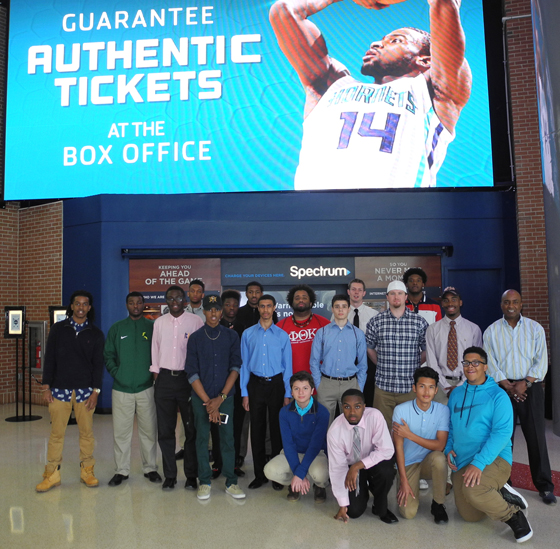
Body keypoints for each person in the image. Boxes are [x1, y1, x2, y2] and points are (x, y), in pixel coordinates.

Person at [270, 0, 472, 190]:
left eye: (395, 40)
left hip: (395, 217)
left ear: (425, 61)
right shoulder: (331, 85)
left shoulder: (432, 90)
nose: (376, 43)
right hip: (313, 218)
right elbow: (285, 11)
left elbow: (444, 3)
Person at [445, 347, 532, 543]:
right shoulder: (457, 394)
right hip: (462, 460)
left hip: (493, 459)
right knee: (470, 515)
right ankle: (499, 491)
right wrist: (448, 448)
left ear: (485, 366)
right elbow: (450, 426)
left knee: (474, 491)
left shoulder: (498, 396)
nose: (470, 366)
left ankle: (514, 515)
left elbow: (502, 434)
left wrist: (479, 463)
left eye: (475, 362)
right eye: (466, 362)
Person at [483, 289, 556, 505]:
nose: (511, 305)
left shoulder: (535, 328)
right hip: (502, 388)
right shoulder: (491, 331)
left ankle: (544, 486)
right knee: (504, 438)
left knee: (536, 438)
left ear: (521, 304)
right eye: (507, 302)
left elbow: (541, 360)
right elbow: (490, 361)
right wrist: (507, 384)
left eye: (515, 302)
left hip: (530, 388)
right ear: (501, 304)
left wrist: (526, 383)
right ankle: (505, 484)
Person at [37, 291, 104, 492]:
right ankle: (52, 474)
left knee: (86, 434)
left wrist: (95, 392)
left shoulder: (96, 334)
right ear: (72, 306)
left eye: (85, 304)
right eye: (77, 303)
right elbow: (50, 359)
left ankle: (87, 471)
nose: (81, 307)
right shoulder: (59, 329)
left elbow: (97, 365)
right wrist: (46, 386)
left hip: (85, 393)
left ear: (89, 307)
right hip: (59, 391)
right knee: (56, 434)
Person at [186, 295, 245, 500]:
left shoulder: (231, 337)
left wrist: (220, 398)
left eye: (217, 309)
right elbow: (192, 373)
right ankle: (204, 481)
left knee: (227, 439)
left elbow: (235, 368)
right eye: (210, 309)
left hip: (225, 398)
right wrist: (209, 403)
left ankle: (231, 482)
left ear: (221, 312)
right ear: (204, 311)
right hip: (201, 398)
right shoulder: (195, 338)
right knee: (202, 438)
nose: (213, 313)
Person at [104, 292, 161, 486]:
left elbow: (159, 353)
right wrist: (117, 373)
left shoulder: (152, 327)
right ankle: (121, 470)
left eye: (138, 302)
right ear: (126, 305)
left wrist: (154, 377)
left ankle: (150, 468)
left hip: (147, 388)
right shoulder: (117, 328)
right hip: (121, 389)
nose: (135, 306)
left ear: (143, 305)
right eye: (131, 303)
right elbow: (108, 354)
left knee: (149, 431)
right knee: (121, 432)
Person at [150, 285, 203, 490]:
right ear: (166, 301)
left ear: (185, 300)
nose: (174, 302)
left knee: (191, 430)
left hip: (187, 380)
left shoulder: (195, 321)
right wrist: (157, 376)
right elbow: (155, 349)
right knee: (165, 431)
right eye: (170, 299)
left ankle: (191, 476)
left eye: (178, 298)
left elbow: (199, 352)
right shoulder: (159, 323)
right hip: (164, 380)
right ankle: (170, 476)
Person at [240, 294, 293, 489]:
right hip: (255, 384)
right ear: (258, 308)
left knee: (277, 430)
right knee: (257, 430)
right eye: (262, 306)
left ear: (274, 308)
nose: (265, 310)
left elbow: (288, 367)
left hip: (277, 385)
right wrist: (244, 392)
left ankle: (278, 475)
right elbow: (244, 364)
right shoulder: (248, 334)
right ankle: (259, 474)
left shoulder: (282, 335)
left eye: (268, 306)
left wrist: (288, 394)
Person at [365, 280, 428, 430]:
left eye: (399, 293)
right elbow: (369, 348)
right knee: (382, 430)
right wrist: (380, 364)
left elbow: (426, 350)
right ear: (387, 297)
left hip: (409, 388)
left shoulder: (419, 322)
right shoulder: (376, 321)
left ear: (406, 296)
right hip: (383, 388)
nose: (396, 297)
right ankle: (386, 455)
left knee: (410, 429)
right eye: (392, 293)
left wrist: (414, 365)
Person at [327, 389, 396, 524]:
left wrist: (358, 465)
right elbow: (337, 469)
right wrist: (343, 504)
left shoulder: (375, 416)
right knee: (354, 511)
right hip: (350, 468)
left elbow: (387, 450)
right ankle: (363, 490)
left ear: (364, 407)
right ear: (342, 408)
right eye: (347, 407)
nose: (352, 412)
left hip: (373, 462)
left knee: (386, 470)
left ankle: (380, 507)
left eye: (357, 407)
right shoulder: (334, 432)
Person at [392, 367, 449, 523]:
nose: (426, 392)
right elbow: (398, 448)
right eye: (422, 386)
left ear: (436, 390)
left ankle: (438, 504)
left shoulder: (443, 410)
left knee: (439, 458)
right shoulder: (401, 410)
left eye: (431, 387)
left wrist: (409, 434)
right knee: (408, 513)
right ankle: (407, 483)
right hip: (408, 463)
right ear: (414, 388)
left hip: (428, 462)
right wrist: (403, 481)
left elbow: (440, 445)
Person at [264, 371, 330, 503]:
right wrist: (299, 474)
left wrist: (300, 473)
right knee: (269, 470)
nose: (301, 393)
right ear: (291, 392)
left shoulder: (322, 412)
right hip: (293, 452)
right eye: (296, 389)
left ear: (312, 390)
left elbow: (315, 445)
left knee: (320, 474)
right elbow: (288, 445)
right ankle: (295, 484)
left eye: (305, 388)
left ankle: (319, 486)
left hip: (316, 453)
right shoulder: (284, 412)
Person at [310, 294, 367, 425]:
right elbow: (314, 361)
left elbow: (363, 365)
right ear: (332, 309)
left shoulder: (357, 333)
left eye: (344, 307)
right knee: (324, 424)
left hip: (350, 383)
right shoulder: (322, 332)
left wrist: (359, 387)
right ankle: (325, 447)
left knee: (350, 424)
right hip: (327, 383)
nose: (340, 310)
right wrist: (319, 385)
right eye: (337, 307)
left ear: (349, 309)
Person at [426, 287, 482, 403]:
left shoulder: (473, 329)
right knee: (441, 420)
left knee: (466, 420)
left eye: (454, 299)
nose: (450, 303)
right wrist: (445, 387)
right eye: (446, 300)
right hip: (440, 386)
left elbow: (476, 362)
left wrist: (461, 385)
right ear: (442, 303)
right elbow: (432, 362)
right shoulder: (432, 329)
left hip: (468, 384)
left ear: (460, 302)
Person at [341, 278, 379, 406]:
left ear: (364, 293)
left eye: (359, 290)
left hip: (368, 360)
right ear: (348, 292)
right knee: (348, 396)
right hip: (346, 360)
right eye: (353, 289)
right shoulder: (340, 313)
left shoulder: (374, 314)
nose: (356, 292)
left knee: (368, 396)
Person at [277, 284, 330, 374]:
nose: (301, 300)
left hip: (319, 380)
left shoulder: (324, 324)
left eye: (304, 297)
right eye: (297, 298)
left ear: (310, 302)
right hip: (290, 381)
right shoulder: (280, 326)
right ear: (291, 302)